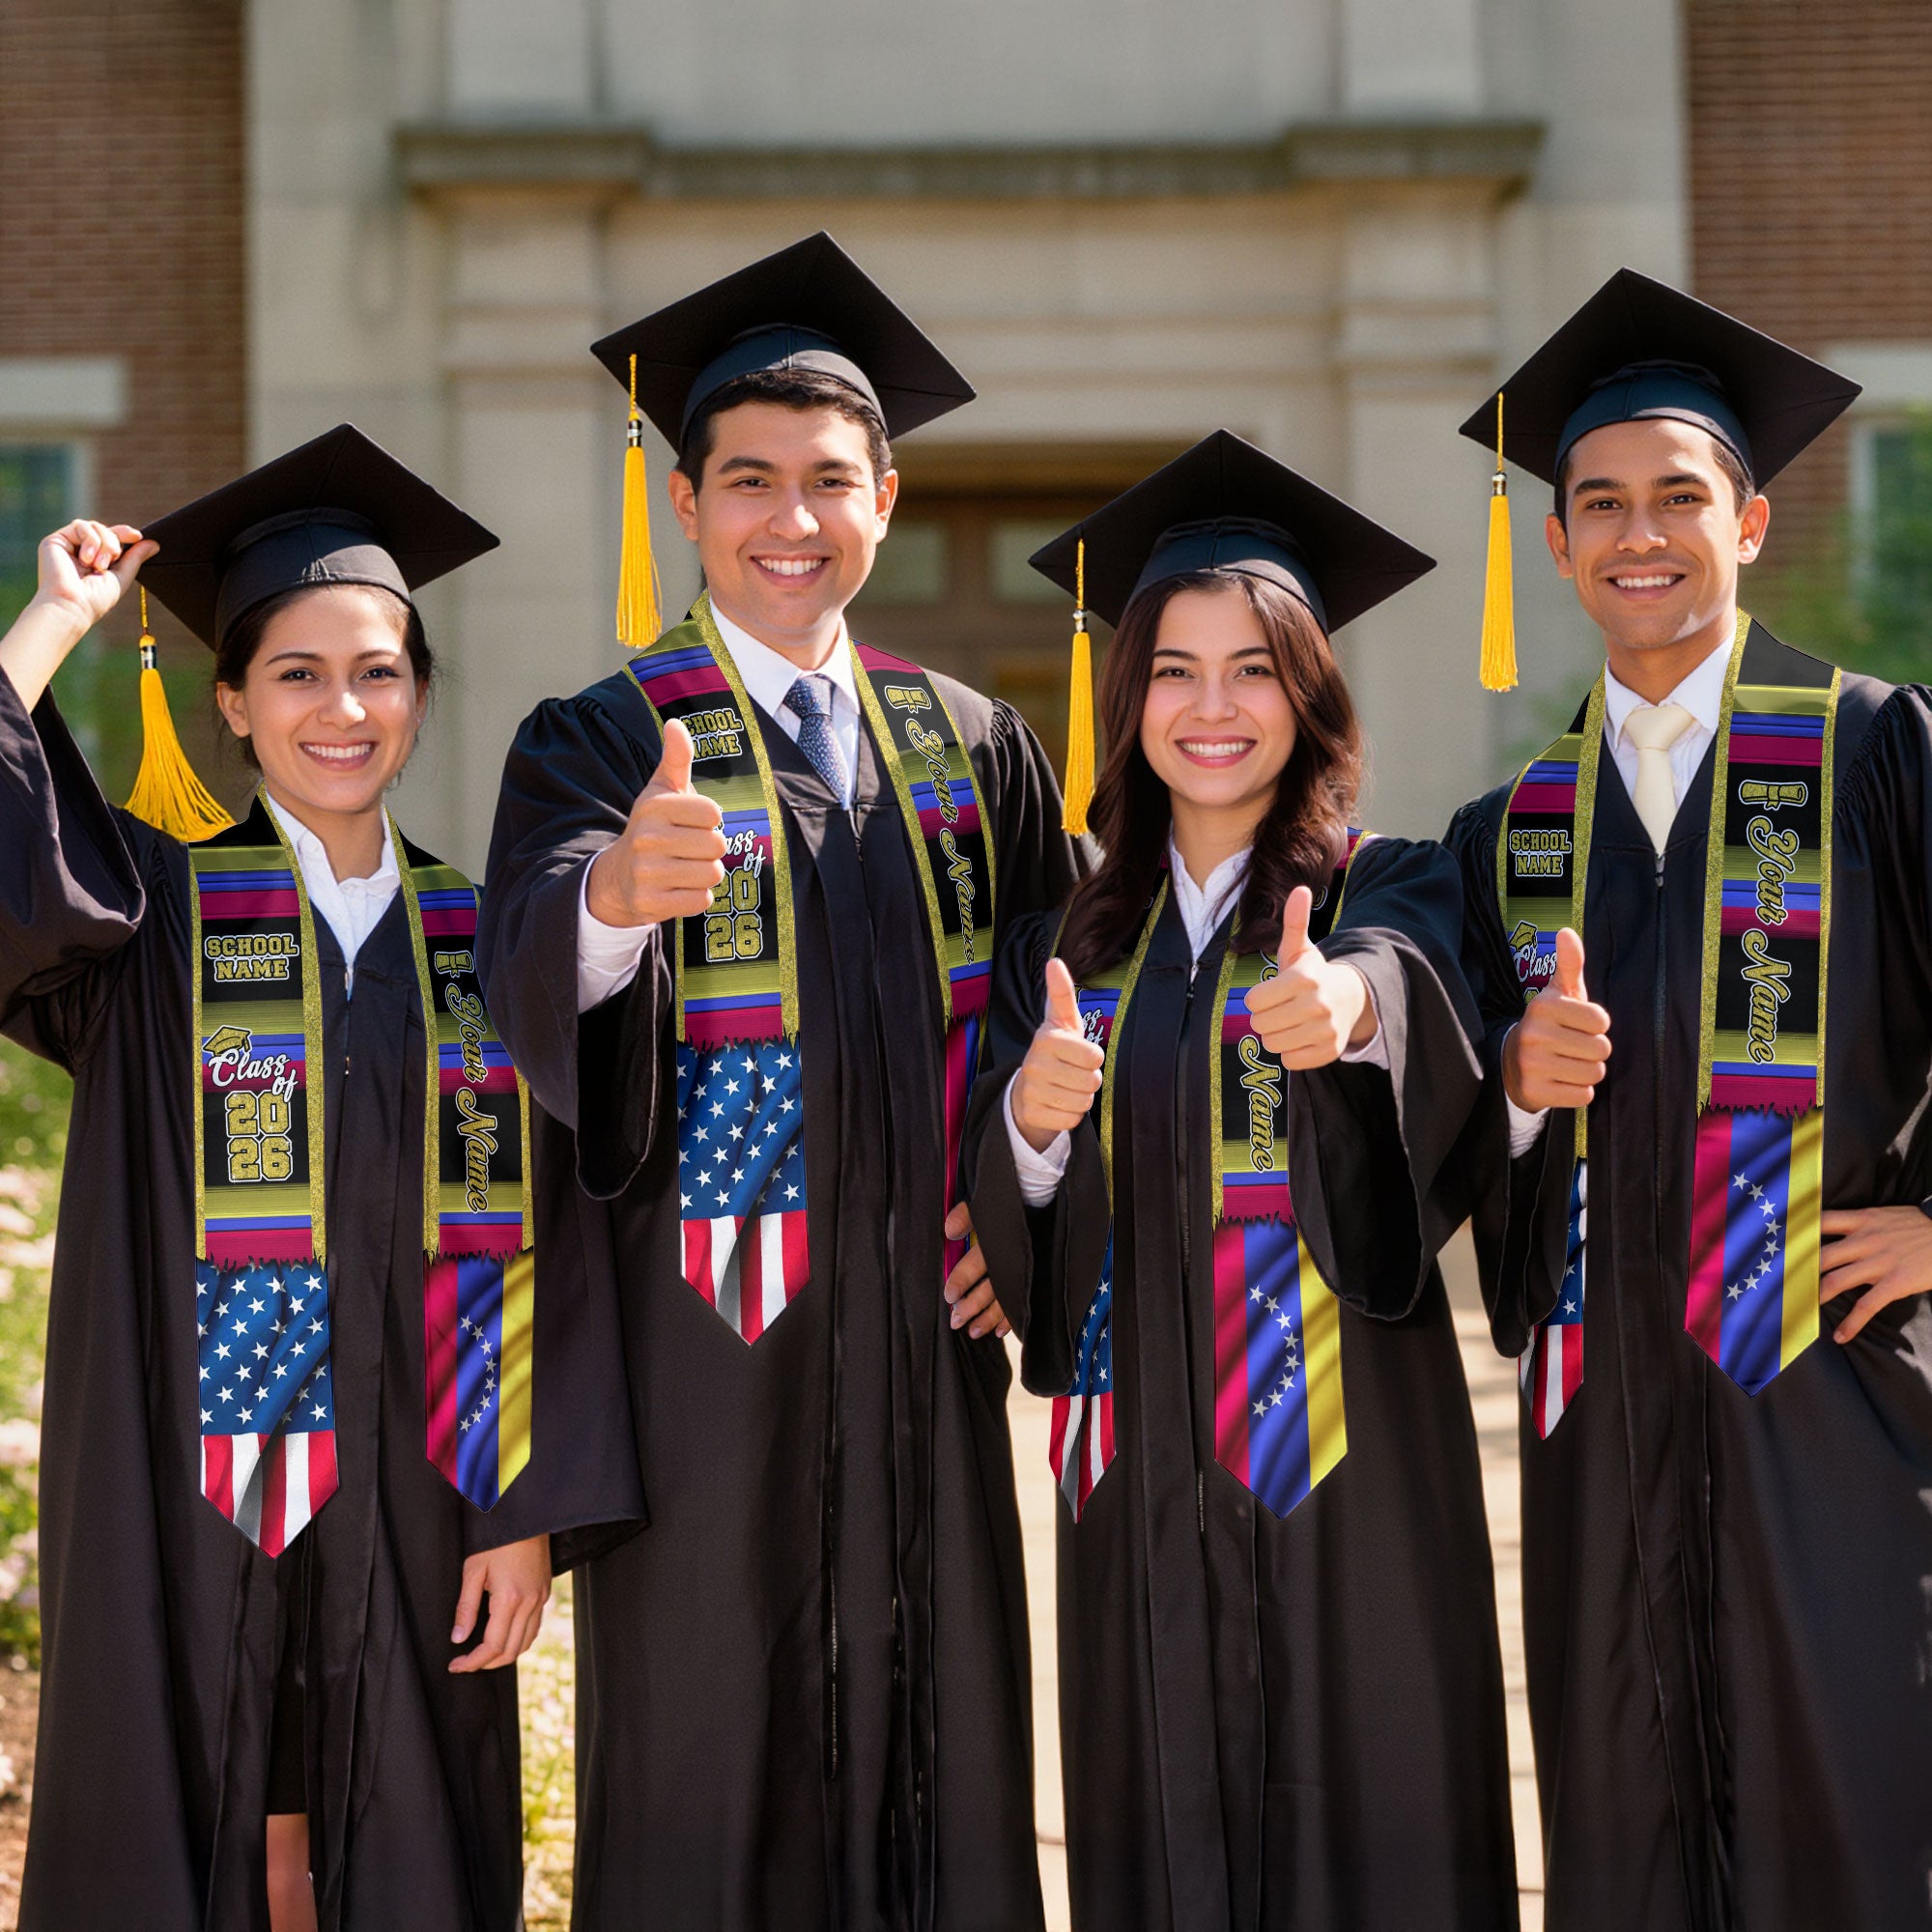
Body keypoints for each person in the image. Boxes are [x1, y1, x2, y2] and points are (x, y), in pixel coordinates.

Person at [477, 233, 1083, 1931]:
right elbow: (524, 970)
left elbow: (1076, 1004)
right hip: (707, 1367)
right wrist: (610, 899)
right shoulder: (600, 738)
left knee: (944, 1764)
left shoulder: (972, 742)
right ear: (686, 503)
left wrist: (1023, 1197)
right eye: (749, 481)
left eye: (831, 481)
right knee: (710, 1778)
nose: (790, 519)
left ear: (886, 497)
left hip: (925, 1357)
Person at [0, 425, 640, 1932]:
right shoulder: (148, 917)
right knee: (191, 1807)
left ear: (419, 695)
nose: (340, 708)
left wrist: (525, 1507)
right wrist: (51, 625)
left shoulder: (494, 941)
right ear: (230, 701)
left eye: (378, 671)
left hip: (427, 1490)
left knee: (408, 1833)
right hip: (184, 1483)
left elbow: (567, 1234)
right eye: (295, 673)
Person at [966, 431, 1518, 1931]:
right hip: (1140, 1470)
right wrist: (1027, 1118)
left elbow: (1412, 992)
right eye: (1175, 671)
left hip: (1354, 1467)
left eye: (1256, 669)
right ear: (1127, 697)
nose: (1215, 709)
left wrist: (1348, 1015)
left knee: (1377, 1828)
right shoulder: (1065, 947)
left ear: (1311, 693)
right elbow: (1014, 1211)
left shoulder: (1386, 885)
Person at [1447, 270, 1932, 1931]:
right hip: (1603, 1420)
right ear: (1561, 543)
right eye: (1598, 505)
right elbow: (1445, 1133)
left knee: (1852, 1807)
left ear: (1752, 520)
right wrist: (1511, 1091)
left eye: (1677, 497)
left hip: (1832, 1401)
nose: (1636, 534)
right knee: (1623, 1817)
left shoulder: (1873, 751)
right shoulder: (1507, 830)